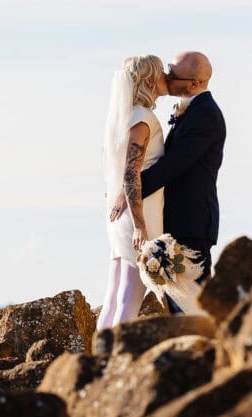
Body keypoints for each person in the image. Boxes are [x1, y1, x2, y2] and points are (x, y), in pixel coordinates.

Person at [109, 51, 226, 314]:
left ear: (194, 84)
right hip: (175, 220)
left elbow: (170, 168)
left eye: (173, 74)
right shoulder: (191, 110)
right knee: (178, 302)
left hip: (191, 221)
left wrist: (131, 193)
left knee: (191, 302)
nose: (166, 77)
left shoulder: (205, 116)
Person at [96, 55, 168, 331]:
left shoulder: (122, 118)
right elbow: (131, 171)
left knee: (115, 291)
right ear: (149, 80)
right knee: (131, 293)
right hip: (139, 211)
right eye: (161, 73)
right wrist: (140, 226)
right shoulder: (142, 119)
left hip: (119, 211)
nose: (166, 77)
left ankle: (97, 358)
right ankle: (111, 359)